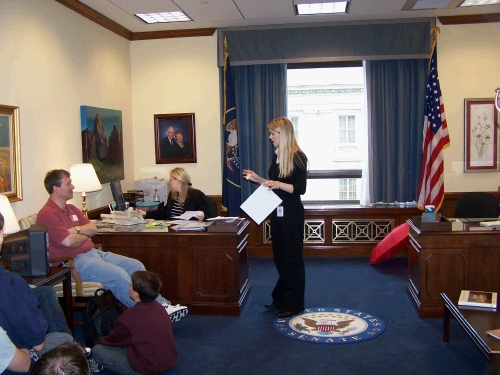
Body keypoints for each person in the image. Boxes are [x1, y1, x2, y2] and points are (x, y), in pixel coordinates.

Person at [35, 169, 187, 323]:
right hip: (72, 263)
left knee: (135, 265)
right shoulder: (47, 214)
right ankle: (151, 315)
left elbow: (93, 229)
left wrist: (76, 230)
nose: (73, 186)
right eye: (68, 184)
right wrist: (83, 234)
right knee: (118, 275)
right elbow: (68, 242)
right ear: (55, 188)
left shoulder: (72, 209)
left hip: (93, 254)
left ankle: (163, 306)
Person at [243, 117, 308, 318]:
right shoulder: (277, 156)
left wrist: (277, 184)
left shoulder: (298, 157)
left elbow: (300, 189)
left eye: (273, 133)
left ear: (284, 134)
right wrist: (258, 179)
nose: (270, 137)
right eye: (270, 133)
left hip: (291, 213)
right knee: (280, 257)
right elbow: (274, 183)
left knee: (292, 259)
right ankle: (280, 299)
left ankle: (294, 303)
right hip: (277, 211)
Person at [0, 212, 74, 375]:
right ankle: (70, 361)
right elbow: (37, 346)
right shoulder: (12, 284)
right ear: (1, 236)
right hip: (18, 361)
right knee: (64, 340)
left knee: (45, 292)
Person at [91, 271, 178, 375]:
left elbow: (113, 340)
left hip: (148, 367)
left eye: (130, 285)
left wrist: (100, 341)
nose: (129, 287)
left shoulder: (130, 316)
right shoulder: (160, 307)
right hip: (168, 360)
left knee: (97, 350)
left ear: (136, 294)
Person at [138, 167, 214, 221]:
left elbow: (209, 215)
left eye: (171, 180)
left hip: (190, 232)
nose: (169, 182)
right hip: (173, 230)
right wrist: (145, 213)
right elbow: (164, 211)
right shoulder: (172, 194)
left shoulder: (196, 195)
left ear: (178, 181)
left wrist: (203, 217)